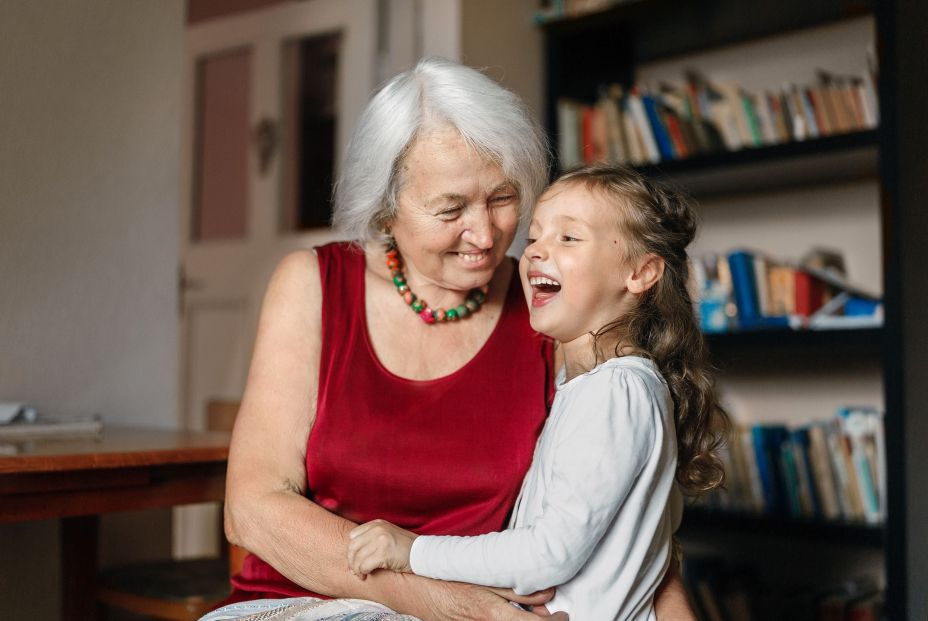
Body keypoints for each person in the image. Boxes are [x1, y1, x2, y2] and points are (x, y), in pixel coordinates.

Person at [214, 58, 700, 620]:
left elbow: (630, 515)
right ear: (386, 209)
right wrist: (454, 607)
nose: (486, 234)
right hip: (305, 603)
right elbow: (252, 510)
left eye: (502, 198)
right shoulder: (312, 285)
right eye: (450, 209)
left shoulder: (556, 310)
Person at [345, 164, 728, 620]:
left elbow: (548, 556)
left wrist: (411, 551)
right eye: (534, 237)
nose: (536, 251)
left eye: (568, 237)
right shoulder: (587, 386)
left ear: (641, 272)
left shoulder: (616, 393)